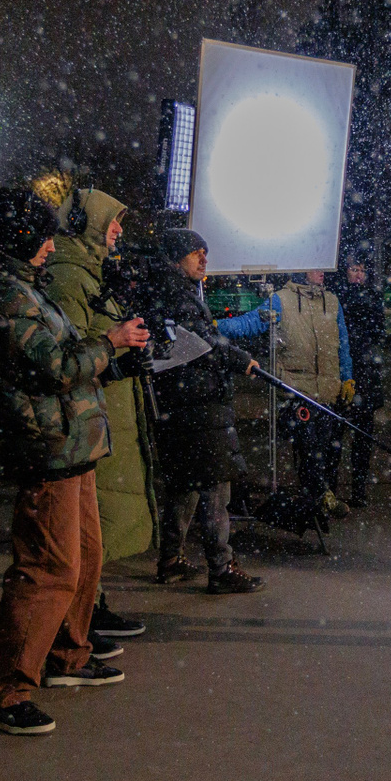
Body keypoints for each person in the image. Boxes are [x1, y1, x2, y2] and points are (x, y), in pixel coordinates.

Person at [0, 187, 150, 735]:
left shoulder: (25, 286)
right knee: (48, 570)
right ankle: (6, 691)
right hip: (47, 449)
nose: (51, 245)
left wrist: (116, 360)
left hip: (72, 445)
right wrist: (111, 343)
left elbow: (65, 363)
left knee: (86, 558)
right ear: (21, 235)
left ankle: (66, 656)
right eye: (43, 236)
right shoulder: (3, 293)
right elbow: (54, 367)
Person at [30, 177, 150, 643]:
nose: (118, 231)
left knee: (94, 525)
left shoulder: (89, 270)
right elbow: (68, 353)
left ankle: (87, 608)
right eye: (113, 221)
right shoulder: (69, 273)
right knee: (82, 528)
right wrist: (115, 351)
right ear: (89, 222)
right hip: (83, 414)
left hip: (99, 408)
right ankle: (75, 621)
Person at [143, 228, 263, 594]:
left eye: (204, 252)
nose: (204, 259)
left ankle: (170, 560)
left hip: (179, 403)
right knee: (215, 485)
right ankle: (221, 568)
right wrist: (241, 360)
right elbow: (204, 344)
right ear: (176, 259)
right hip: (198, 403)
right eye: (196, 252)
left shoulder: (167, 290)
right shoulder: (177, 294)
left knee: (185, 485)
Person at [218, 270, 352, 517]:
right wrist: (216, 326)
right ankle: (320, 497)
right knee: (310, 449)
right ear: (302, 270)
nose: (321, 272)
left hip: (328, 393)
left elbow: (342, 343)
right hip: (296, 392)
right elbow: (250, 323)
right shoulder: (281, 299)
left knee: (327, 449)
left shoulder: (332, 301)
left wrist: (347, 377)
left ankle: (319, 500)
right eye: (315, 267)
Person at [338, 256, 388, 508]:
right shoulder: (339, 298)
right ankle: (332, 488)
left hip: (365, 377)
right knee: (337, 435)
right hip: (346, 373)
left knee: (362, 438)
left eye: (362, 271)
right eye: (354, 269)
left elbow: (379, 331)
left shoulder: (371, 298)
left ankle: (358, 489)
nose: (359, 275)